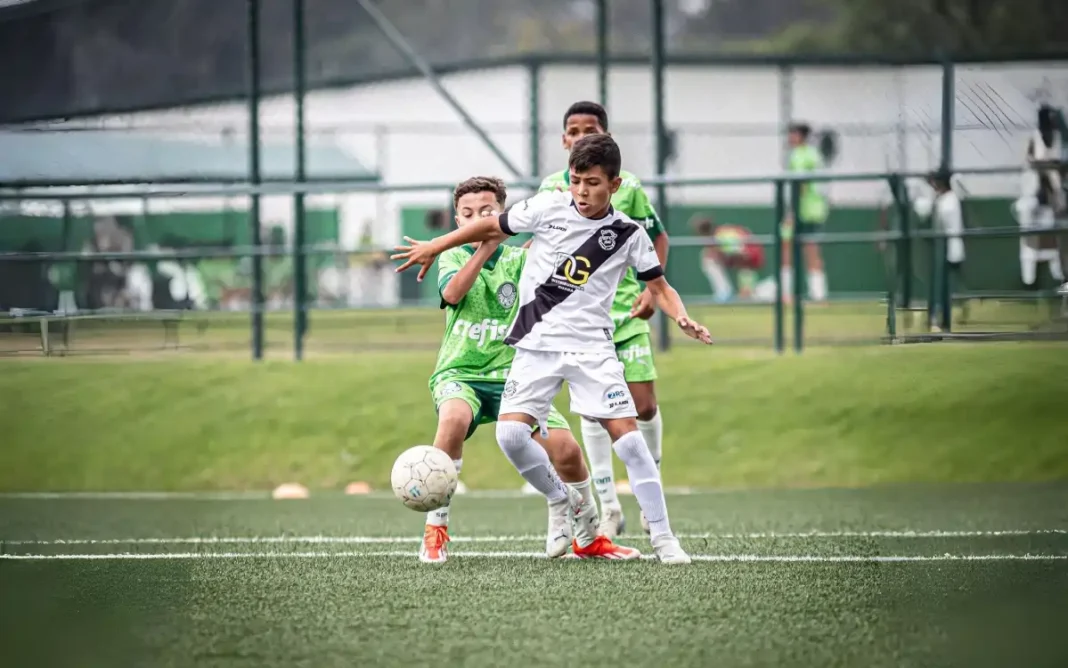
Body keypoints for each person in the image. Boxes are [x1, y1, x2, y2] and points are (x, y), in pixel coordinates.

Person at [394, 134, 713, 564]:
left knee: (630, 444)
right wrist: (435, 246)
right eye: (576, 181)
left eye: (592, 183)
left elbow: (660, 287)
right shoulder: (547, 207)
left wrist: (681, 316)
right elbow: (491, 227)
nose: (582, 191)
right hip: (535, 346)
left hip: (591, 351)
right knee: (510, 435)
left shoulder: (628, 233)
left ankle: (664, 539)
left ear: (614, 185)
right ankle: (561, 499)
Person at [420, 175, 639, 564]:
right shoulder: (452, 256)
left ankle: (588, 538)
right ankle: (435, 531)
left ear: (502, 213)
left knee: (568, 451)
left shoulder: (523, 260)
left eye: (486, 212)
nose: (477, 218)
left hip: (515, 373)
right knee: (452, 419)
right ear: (457, 221)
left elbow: (560, 248)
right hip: (462, 372)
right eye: (468, 214)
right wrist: (487, 245)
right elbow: (453, 293)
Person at [536, 101, 669, 538]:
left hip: (625, 312)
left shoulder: (628, 186)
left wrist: (652, 290)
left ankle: (651, 495)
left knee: (643, 405)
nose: (580, 136)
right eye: (573, 130)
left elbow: (657, 237)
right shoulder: (551, 189)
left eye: (589, 129)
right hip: (578, 322)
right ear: (563, 140)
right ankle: (609, 506)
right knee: (593, 415)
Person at [912, 169, 968, 330]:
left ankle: (938, 319)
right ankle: (941, 318)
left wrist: (930, 202)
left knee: (943, 286)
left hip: (947, 249)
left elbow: (933, 218)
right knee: (945, 286)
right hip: (946, 248)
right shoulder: (948, 198)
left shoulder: (947, 202)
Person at [780, 122, 829, 303]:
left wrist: (791, 212)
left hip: (805, 210)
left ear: (801, 136)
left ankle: (789, 294)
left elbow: (800, 184)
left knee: (794, 249)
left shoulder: (800, 155)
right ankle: (818, 295)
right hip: (815, 209)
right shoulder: (813, 154)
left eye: (793, 134)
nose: (790, 138)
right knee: (810, 249)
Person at [693, 216, 765, 302]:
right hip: (742, 259)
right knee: (708, 256)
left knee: (709, 258)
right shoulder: (719, 234)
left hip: (750, 258)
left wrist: (720, 254)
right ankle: (728, 292)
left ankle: (725, 293)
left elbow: (744, 254)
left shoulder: (722, 234)